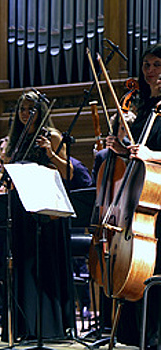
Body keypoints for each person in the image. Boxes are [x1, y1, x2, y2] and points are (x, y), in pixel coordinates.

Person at [2, 90, 74, 341]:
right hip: (22, 207)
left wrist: (51, 153)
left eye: (30, 109)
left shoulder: (52, 136)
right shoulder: (17, 140)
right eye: (21, 109)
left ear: (41, 111)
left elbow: (68, 173)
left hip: (46, 209)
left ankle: (49, 327)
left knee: (44, 265)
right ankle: (26, 327)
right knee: (25, 265)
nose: (25, 114)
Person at [102, 43, 161, 348]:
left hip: (159, 195)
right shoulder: (142, 106)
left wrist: (152, 153)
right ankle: (136, 334)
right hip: (141, 192)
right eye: (146, 65)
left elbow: (150, 152)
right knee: (144, 267)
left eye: (156, 65)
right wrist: (121, 148)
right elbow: (135, 152)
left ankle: (156, 336)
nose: (150, 71)